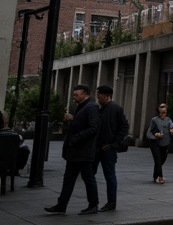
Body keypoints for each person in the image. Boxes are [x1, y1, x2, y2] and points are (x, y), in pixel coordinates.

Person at [44, 84, 100, 215]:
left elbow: (93, 127)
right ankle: (61, 205)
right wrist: (73, 120)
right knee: (68, 178)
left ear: (85, 94)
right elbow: (83, 124)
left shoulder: (91, 107)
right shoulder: (82, 107)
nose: (74, 97)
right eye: (74, 94)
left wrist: (76, 138)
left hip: (84, 152)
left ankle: (93, 205)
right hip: (75, 152)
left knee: (88, 179)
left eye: (76, 94)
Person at [93, 85, 129, 211]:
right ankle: (94, 202)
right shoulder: (100, 109)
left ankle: (111, 202)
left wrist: (114, 144)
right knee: (91, 174)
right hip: (97, 147)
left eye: (100, 95)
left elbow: (124, 127)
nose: (98, 97)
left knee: (109, 175)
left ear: (107, 96)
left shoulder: (115, 108)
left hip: (107, 148)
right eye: (97, 95)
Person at [146, 101, 173, 183]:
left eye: (164, 106)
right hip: (155, 143)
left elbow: (172, 128)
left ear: (166, 109)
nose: (163, 108)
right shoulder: (154, 120)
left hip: (165, 143)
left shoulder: (168, 120)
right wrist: (155, 135)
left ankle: (155, 176)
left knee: (161, 161)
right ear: (158, 109)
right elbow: (148, 133)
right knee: (158, 160)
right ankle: (160, 177)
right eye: (161, 107)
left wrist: (172, 131)